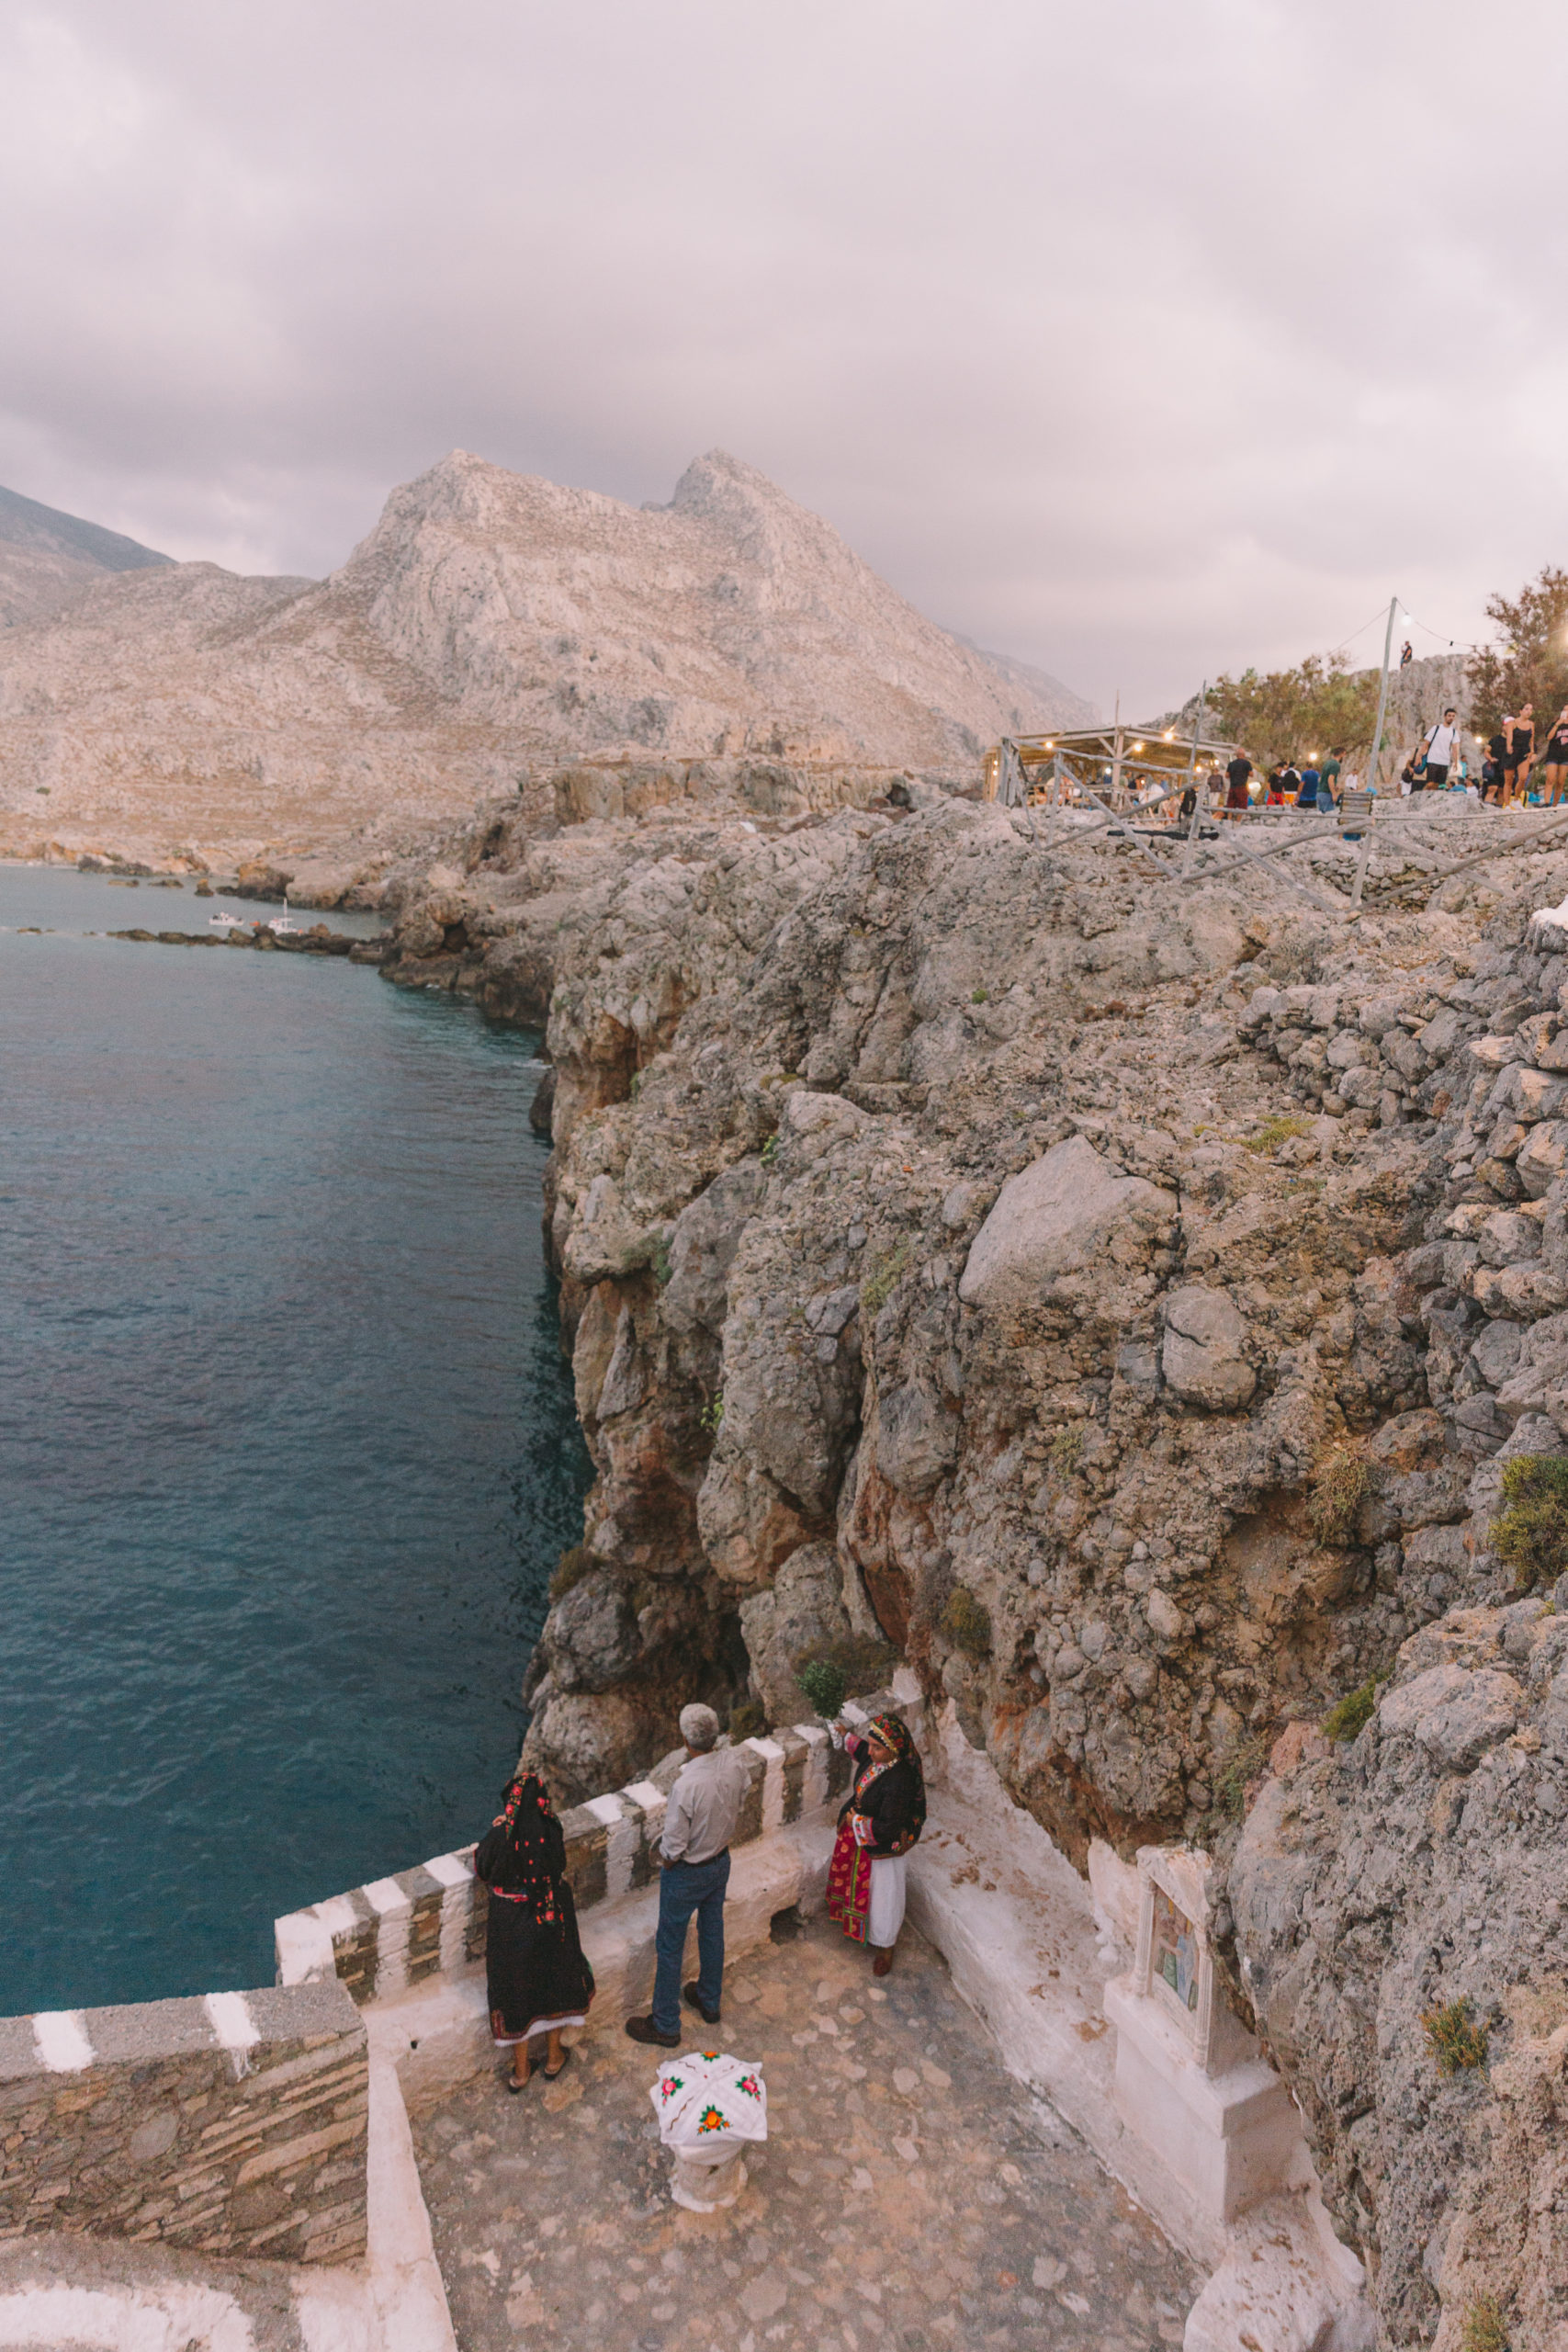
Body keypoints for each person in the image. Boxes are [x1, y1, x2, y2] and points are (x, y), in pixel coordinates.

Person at [626, 1703, 749, 2049]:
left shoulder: (687, 1784)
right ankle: (709, 2000)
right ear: (717, 1735)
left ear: (685, 1740)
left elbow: (674, 1844)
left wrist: (665, 1861)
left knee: (669, 1945)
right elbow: (743, 1796)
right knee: (712, 1930)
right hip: (720, 1861)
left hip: (687, 1873)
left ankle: (665, 2024)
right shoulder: (735, 1762)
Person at [475, 1771, 595, 2091]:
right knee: (553, 1983)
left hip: (513, 1925)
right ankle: (554, 2058)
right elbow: (559, 1864)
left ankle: (521, 2072)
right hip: (552, 1919)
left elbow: (482, 1868)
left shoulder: (502, 1837)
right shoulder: (551, 1828)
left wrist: (499, 1828)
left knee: (517, 1992)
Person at [825, 1713, 926, 1976]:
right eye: (870, 1745)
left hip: (884, 1849)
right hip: (863, 1839)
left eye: (876, 1747)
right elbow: (860, 1750)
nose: (870, 1752)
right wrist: (844, 1734)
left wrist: (854, 1820)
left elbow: (889, 1826)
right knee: (863, 1890)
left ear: (893, 1749)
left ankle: (885, 1946)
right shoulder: (879, 1758)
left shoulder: (899, 1782)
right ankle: (862, 1925)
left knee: (884, 1897)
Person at [1416, 708, 1461, 793]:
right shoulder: (1436, 728)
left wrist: (1456, 762)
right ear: (1445, 716)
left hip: (1444, 761)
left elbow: (1455, 749)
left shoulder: (1453, 732)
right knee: (1430, 783)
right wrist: (1419, 756)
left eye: (1453, 716)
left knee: (1441, 785)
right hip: (1433, 759)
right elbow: (1426, 744)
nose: (1451, 718)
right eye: (1449, 716)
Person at [1502, 707, 1535, 807]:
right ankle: (1507, 804)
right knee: (1509, 780)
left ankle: (1516, 799)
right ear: (1520, 711)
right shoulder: (1513, 723)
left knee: (1523, 777)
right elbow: (1509, 736)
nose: (1528, 711)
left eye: (1530, 710)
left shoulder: (1531, 724)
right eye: (1526, 709)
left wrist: (1532, 750)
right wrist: (1509, 746)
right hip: (1512, 751)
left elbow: (1531, 739)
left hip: (1524, 752)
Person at [1540, 707, 1568, 806]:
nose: (1566, 712)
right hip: (1553, 755)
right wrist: (1557, 724)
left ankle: (1555, 805)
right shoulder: (1555, 724)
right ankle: (1547, 803)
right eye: (1564, 709)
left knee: (1560, 781)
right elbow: (1548, 737)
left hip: (1565, 757)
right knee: (1550, 779)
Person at [1224, 749, 1252, 819]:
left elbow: (1227, 775)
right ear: (1244, 755)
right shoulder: (1247, 763)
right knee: (1242, 805)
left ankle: (1229, 820)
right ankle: (1238, 821)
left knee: (1230, 805)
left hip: (1232, 787)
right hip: (1241, 787)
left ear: (1236, 755)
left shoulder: (1231, 764)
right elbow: (1251, 774)